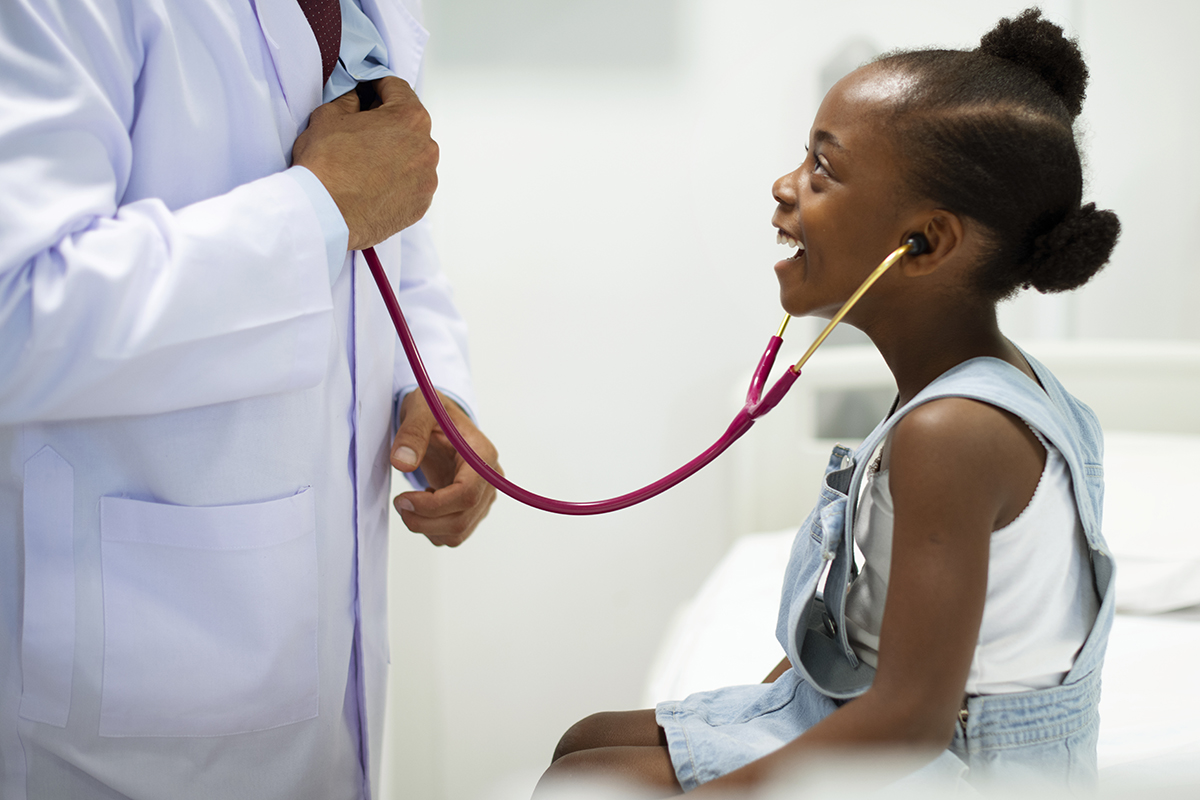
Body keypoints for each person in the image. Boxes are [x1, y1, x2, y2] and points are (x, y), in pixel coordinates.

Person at [537, 8, 1120, 796]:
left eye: (823, 170)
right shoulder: (958, 385)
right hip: (866, 708)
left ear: (927, 243)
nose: (784, 188)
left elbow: (912, 720)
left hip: (960, 767)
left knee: (596, 779)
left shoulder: (955, 430)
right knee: (585, 744)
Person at [0, 1, 500, 798]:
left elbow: (384, 202)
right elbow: (17, 307)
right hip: (120, 717)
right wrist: (315, 211)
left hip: (311, 674)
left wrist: (431, 385)